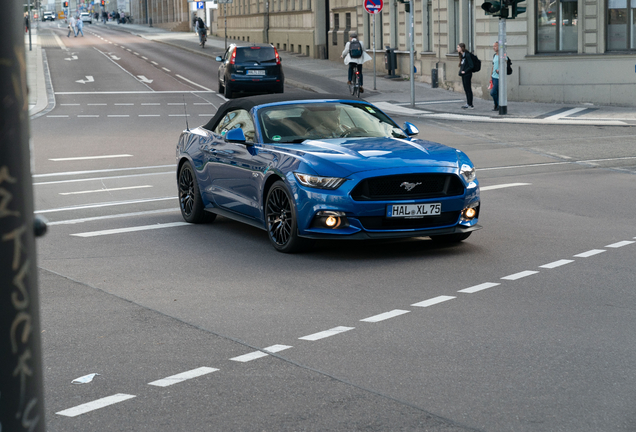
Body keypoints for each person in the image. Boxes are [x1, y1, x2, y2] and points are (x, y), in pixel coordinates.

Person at [457, 43, 474, 109]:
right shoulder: (462, 55)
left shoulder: (467, 55)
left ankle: (471, 104)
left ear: (462, 48)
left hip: (467, 74)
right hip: (463, 75)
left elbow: (471, 65)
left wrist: (465, 71)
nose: (457, 48)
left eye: (458, 47)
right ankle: (468, 103)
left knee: (468, 89)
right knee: (466, 89)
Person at [490, 41, 499, 111]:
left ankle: (497, 104)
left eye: (495, 46)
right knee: (496, 92)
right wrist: (491, 76)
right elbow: (493, 66)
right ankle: (497, 105)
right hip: (494, 76)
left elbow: (505, 64)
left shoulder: (503, 55)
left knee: (493, 92)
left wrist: (500, 70)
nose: (494, 48)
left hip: (499, 77)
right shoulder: (494, 55)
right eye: (493, 46)